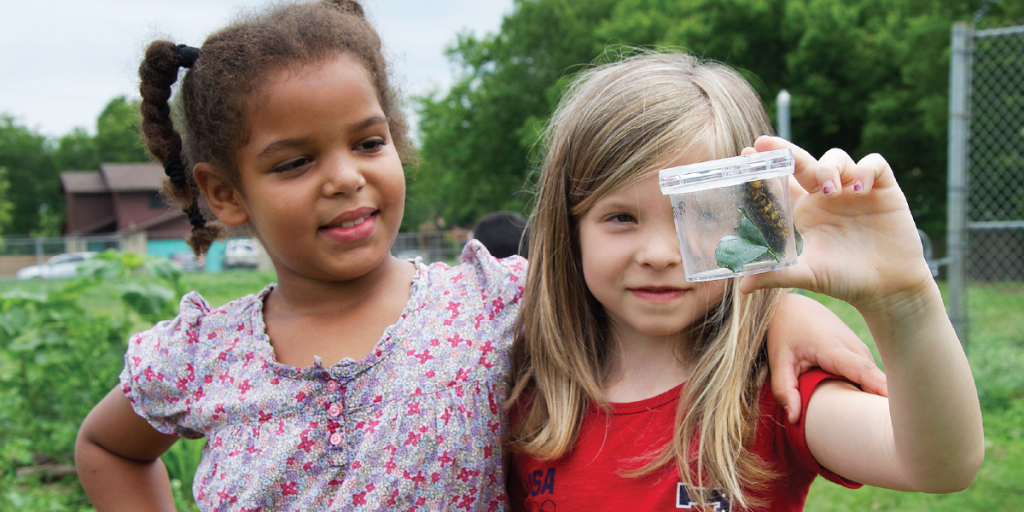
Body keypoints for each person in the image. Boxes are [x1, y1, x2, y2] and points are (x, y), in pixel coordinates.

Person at [73, 4, 886, 509]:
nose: (344, 178)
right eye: (294, 162)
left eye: (368, 141)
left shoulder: (489, 301)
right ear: (223, 194)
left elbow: (631, 280)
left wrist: (778, 301)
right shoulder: (201, 353)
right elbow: (107, 446)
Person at [507, 51, 984, 511]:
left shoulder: (775, 389)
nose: (658, 254)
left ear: (755, 220)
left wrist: (903, 301)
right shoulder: (521, 393)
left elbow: (939, 465)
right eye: (620, 217)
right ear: (569, 230)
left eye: (701, 213)